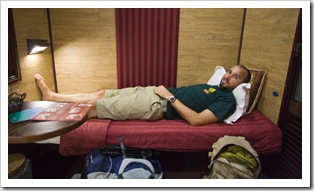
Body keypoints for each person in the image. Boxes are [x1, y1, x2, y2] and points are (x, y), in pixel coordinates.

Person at [34, 65, 251, 126]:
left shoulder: (227, 101)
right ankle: (53, 96)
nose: (228, 77)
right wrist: (162, 92)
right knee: (100, 94)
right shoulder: (214, 87)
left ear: (241, 85)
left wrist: (169, 97)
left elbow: (195, 120)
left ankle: (45, 121)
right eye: (230, 72)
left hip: (159, 104)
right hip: (152, 92)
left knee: (94, 110)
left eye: (236, 77)